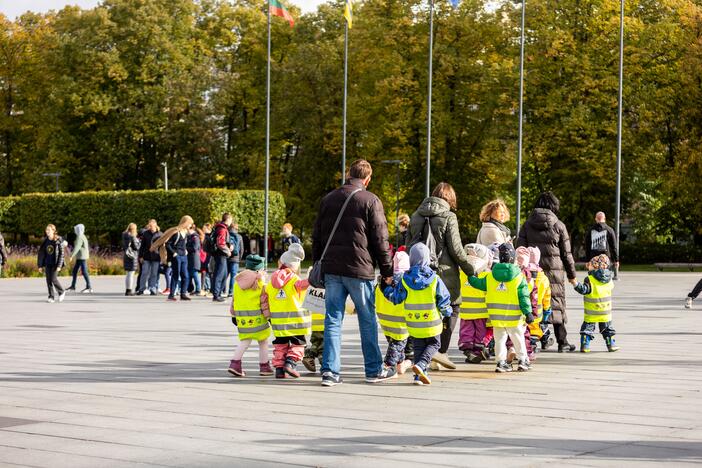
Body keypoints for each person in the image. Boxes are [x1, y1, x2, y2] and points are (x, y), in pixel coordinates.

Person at [312, 159, 395, 387]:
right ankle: (373, 370)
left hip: (331, 268)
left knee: (332, 320)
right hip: (360, 269)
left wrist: (318, 262)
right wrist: (387, 270)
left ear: (349, 175)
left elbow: (317, 235)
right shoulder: (370, 200)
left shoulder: (328, 199)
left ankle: (330, 372)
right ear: (367, 179)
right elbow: (380, 239)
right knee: (367, 319)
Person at [407, 182, 474, 371]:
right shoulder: (449, 217)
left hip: (419, 273)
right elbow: (456, 249)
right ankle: (439, 352)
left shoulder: (415, 215)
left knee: (426, 309)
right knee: (452, 308)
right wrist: (471, 271)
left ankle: (425, 353)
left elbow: (408, 244)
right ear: (450, 199)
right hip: (445, 274)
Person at [382, 243, 453, 385]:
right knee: (434, 344)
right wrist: (447, 312)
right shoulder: (434, 279)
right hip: (432, 322)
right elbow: (443, 299)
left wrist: (386, 289)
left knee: (418, 346)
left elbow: (396, 298)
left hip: (413, 323)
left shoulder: (404, 280)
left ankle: (419, 376)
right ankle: (421, 365)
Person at [517, 191, 578, 352]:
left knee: (532, 303)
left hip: (531, 272)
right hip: (554, 272)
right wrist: (572, 275)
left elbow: (520, 249)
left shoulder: (527, 225)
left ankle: (534, 339)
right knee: (556, 304)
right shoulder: (559, 225)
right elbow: (567, 254)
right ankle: (562, 342)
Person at [468, 243, 534, 373]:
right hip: (514, 317)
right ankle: (522, 360)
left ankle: (501, 362)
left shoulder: (491, 276)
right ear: (512, 259)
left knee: (499, 340)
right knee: (518, 338)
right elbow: (524, 297)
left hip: (496, 317)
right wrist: (528, 312)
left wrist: (471, 276)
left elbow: (478, 284)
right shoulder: (519, 277)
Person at [265, 244, 310, 379]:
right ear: (294, 266)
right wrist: (313, 278)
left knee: (280, 345)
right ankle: (290, 364)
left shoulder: (271, 281)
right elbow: (304, 285)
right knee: (298, 344)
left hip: (278, 322)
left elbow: (265, 298)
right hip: (296, 321)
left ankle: (279, 369)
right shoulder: (294, 279)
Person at [227, 254, 274, 377]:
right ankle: (264, 366)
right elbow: (264, 302)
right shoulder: (260, 283)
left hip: (242, 319)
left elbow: (234, 299)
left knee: (245, 340)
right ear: (259, 269)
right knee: (263, 341)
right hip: (259, 319)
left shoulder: (237, 282)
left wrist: (233, 314)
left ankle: (235, 363)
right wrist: (269, 316)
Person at [375, 250, 413, 376]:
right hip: (401, 321)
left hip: (385, 321)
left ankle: (400, 364)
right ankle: (388, 366)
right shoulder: (407, 282)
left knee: (395, 344)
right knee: (396, 345)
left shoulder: (382, 281)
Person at [573, 254, 620, 353]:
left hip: (592, 312)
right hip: (605, 312)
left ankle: (585, 345)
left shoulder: (589, 279)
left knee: (587, 329)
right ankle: (611, 344)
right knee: (607, 329)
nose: (587, 266)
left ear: (595, 266)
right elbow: (611, 287)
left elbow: (584, 290)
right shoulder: (609, 279)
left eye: (590, 264)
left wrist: (575, 284)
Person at [458, 243, 493, 364]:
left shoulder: (461, 273)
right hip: (482, 311)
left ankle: (467, 347)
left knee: (466, 330)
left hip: (465, 310)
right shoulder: (486, 275)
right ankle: (478, 350)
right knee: (480, 332)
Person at [151, 215, 194, 302]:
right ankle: (171, 295)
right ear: (185, 223)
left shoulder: (185, 232)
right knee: (175, 275)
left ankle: (183, 294)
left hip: (184, 256)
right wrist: (174, 253)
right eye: (189, 224)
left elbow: (183, 244)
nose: (190, 226)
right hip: (177, 256)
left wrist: (185, 250)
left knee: (185, 275)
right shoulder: (176, 232)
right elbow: (168, 244)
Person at [37, 224, 66, 303]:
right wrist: (40, 265)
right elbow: (41, 253)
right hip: (47, 263)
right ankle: (51, 296)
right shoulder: (45, 241)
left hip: (55, 264)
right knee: (48, 280)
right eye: (46, 230)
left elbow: (61, 254)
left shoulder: (58, 240)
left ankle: (61, 292)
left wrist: (59, 265)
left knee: (53, 279)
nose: (47, 232)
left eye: (49, 230)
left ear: (53, 231)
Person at [212, 213, 233, 302]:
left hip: (220, 254)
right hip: (221, 255)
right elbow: (220, 243)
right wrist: (228, 251)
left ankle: (218, 293)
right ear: (228, 219)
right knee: (220, 274)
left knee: (223, 274)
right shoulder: (222, 229)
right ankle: (216, 294)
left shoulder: (220, 228)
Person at [137, 220, 162, 296]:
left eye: (151, 226)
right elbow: (142, 246)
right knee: (144, 273)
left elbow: (163, 247)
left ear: (155, 225)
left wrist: (163, 257)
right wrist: (140, 256)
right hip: (146, 256)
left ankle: (152, 288)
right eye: (149, 226)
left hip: (156, 257)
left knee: (154, 274)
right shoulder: (146, 234)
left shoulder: (160, 234)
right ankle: (141, 289)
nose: (150, 227)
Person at [68, 224, 93, 293]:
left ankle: (89, 287)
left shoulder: (79, 237)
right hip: (80, 256)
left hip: (82, 256)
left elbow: (77, 247)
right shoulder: (82, 236)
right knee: (75, 271)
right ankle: (73, 286)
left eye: (76, 229)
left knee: (84, 271)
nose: (75, 230)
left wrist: (71, 256)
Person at [122, 223, 141, 296]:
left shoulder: (124, 235)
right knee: (131, 274)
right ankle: (129, 290)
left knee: (127, 274)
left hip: (126, 255)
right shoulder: (132, 236)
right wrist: (139, 243)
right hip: (132, 256)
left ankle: (127, 289)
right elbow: (136, 247)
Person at [226, 222, 243, 297]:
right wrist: (239, 258)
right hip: (235, 259)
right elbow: (241, 249)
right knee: (233, 276)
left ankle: (221, 290)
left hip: (226, 257)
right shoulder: (239, 236)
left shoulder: (227, 235)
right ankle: (230, 292)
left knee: (224, 275)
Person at [187, 225, 202, 296]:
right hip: (191, 258)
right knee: (192, 274)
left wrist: (186, 248)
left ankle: (198, 289)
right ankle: (193, 289)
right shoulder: (191, 237)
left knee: (195, 274)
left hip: (194, 258)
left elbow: (195, 248)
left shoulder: (195, 237)